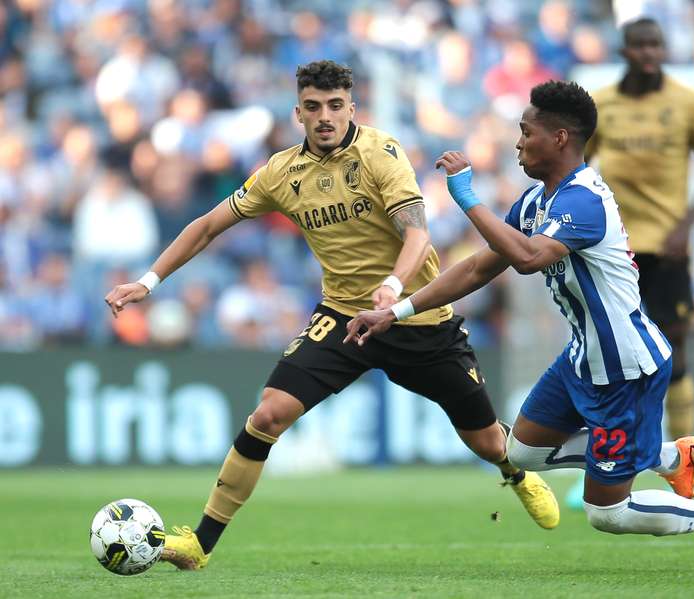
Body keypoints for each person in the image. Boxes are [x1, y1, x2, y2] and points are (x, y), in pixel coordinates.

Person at [104, 60, 560, 571]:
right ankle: (200, 544)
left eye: (336, 106)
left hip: (416, 316)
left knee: (487, 441)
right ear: (298, 112)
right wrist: (148, 281)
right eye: (315, 107)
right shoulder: (281, 172)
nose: (326, 116)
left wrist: (392, 287)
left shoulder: (381, 154)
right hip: (343, 318)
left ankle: (516, 473)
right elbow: (209, 226)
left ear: (352, 108)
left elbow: (417, 234)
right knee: (268, 414)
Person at [345, 80, 694, 573]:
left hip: (624, 370)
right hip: (584, 357)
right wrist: (396, 312)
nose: (518, 142)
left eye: (526, 132)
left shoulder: (584, 200)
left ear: (560, 138)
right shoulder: (537, 200)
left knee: (608, 513)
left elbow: (526, 258)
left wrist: (466, 197)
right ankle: (671, 458)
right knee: (521, 450)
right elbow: (481, 268)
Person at [584, 17, 694, 442]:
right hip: (615, 249)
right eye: (641, 45)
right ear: (624, 50)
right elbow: (576, 167)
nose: (650, 53)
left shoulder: (689, 103)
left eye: (657, 45)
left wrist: (685, 226)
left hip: (668, 247)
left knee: (675, 351)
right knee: (609, 355)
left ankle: (685, 462)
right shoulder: (602, 104)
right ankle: (606, 457)